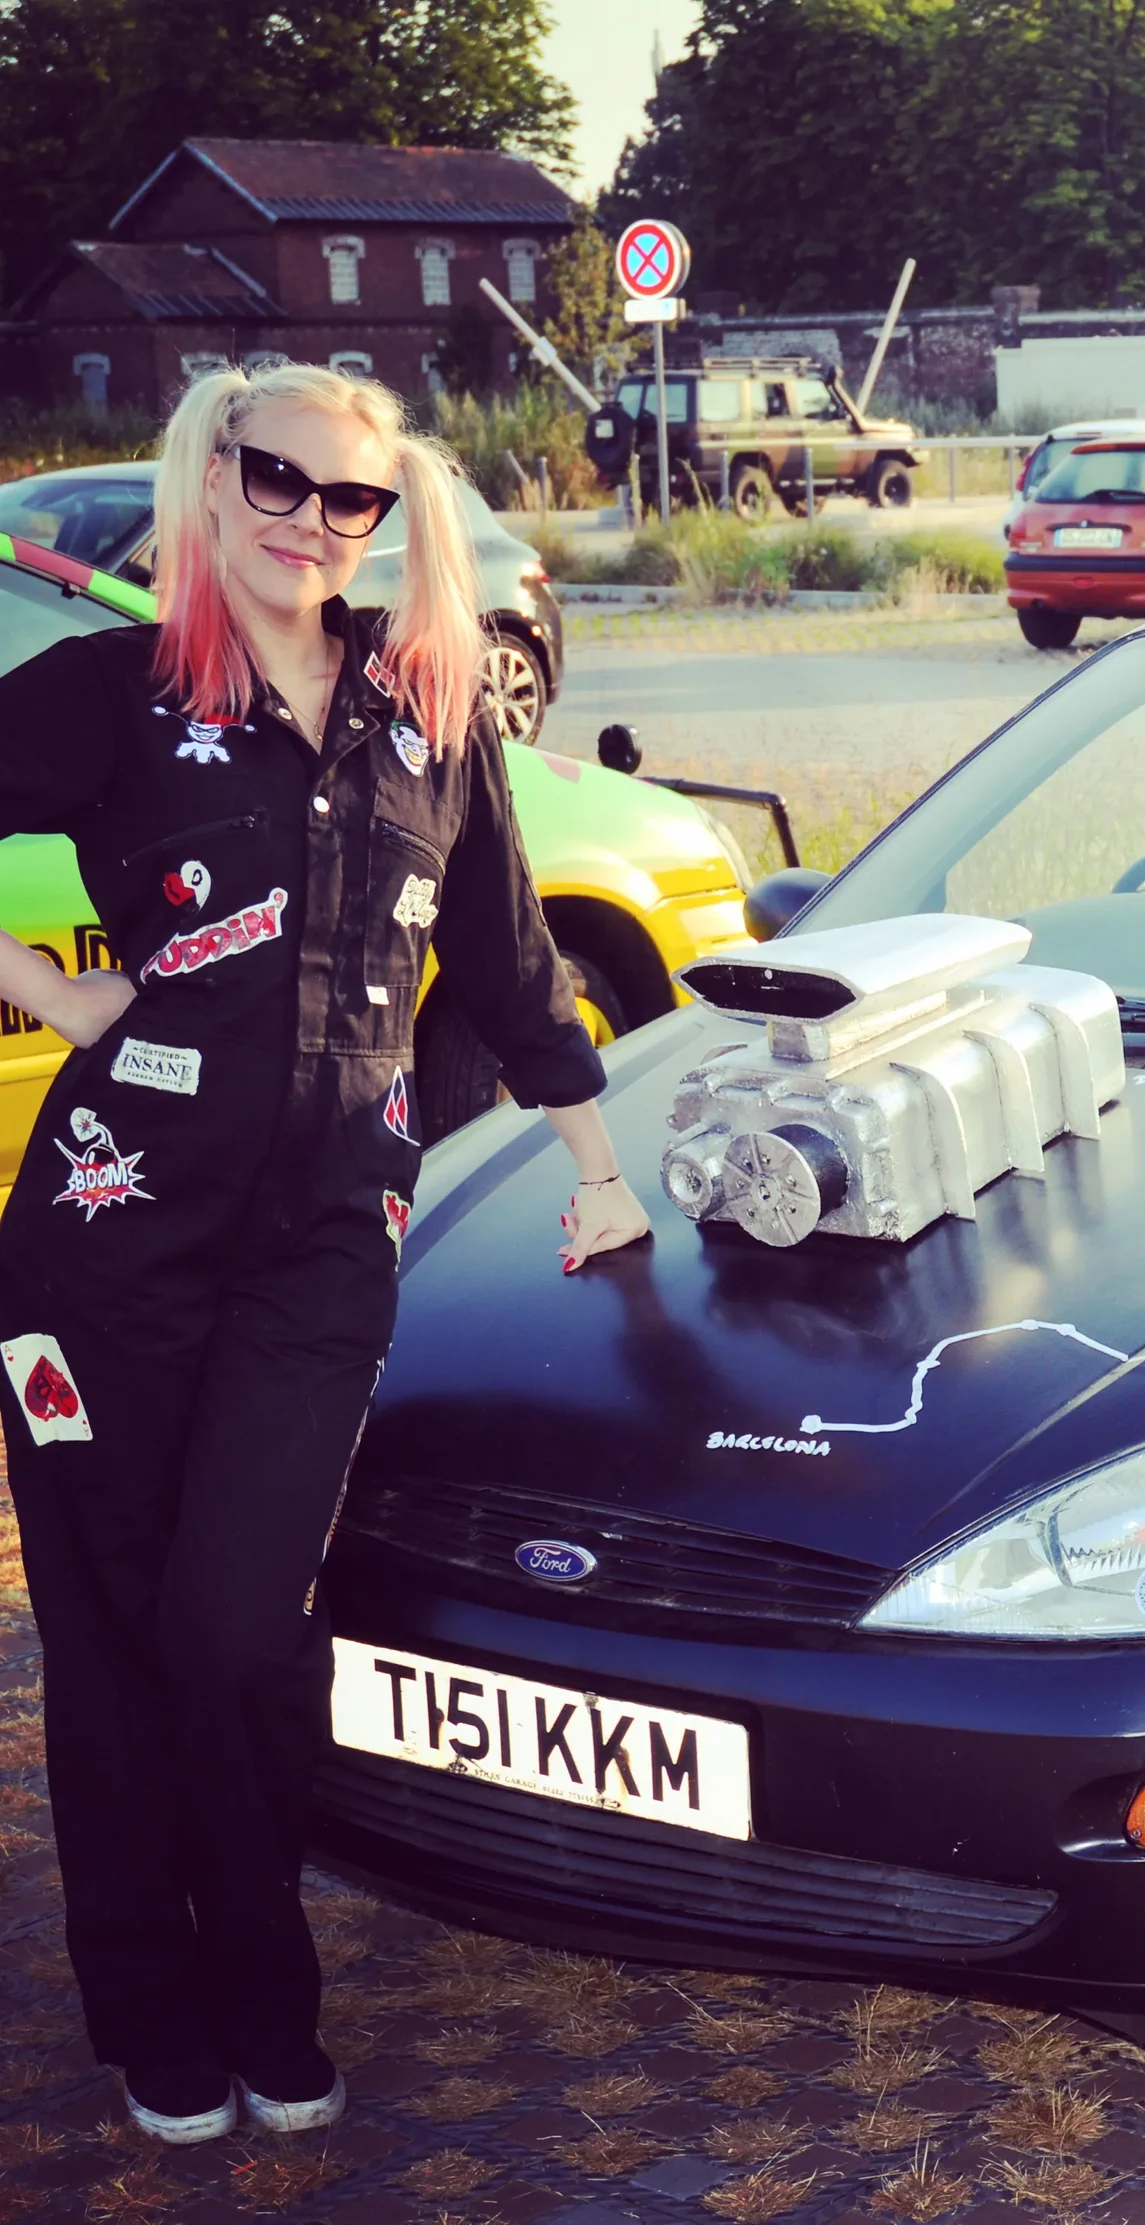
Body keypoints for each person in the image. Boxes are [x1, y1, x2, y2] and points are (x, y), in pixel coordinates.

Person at [0, 362, 650, 2145]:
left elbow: (507, 953)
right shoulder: (115, 693)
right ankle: (153, 2008)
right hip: (107, 1240)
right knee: (111, 1636)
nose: (307, 521)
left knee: (238, 1630)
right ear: (211, 481)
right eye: (274, 481)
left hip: (322, 1248)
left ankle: (266, 1985)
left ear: (386, 517)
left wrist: (599, 1166)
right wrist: (54, 990)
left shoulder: (427, 705)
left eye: (347, 497)